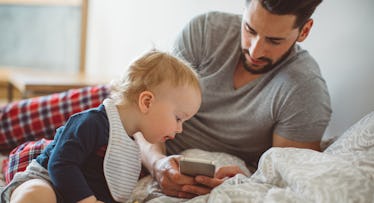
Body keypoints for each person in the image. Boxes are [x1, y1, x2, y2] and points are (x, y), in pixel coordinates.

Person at [139, 0, 332, 199]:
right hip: (151, 152)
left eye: (274, 41)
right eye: (250, 29)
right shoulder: (205, 32)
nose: (255, 51)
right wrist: (157, 164)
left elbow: (283, 180)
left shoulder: (304, 90)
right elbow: (144, 112)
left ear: (304, 31)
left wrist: (245, 184)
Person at [0, 50, 202, 203]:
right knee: (37, 194)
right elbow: (60, 165)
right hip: (48, 180)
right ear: (147, 102)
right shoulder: (91, 122)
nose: (180, 129)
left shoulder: (131, 143)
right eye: (178, 118)